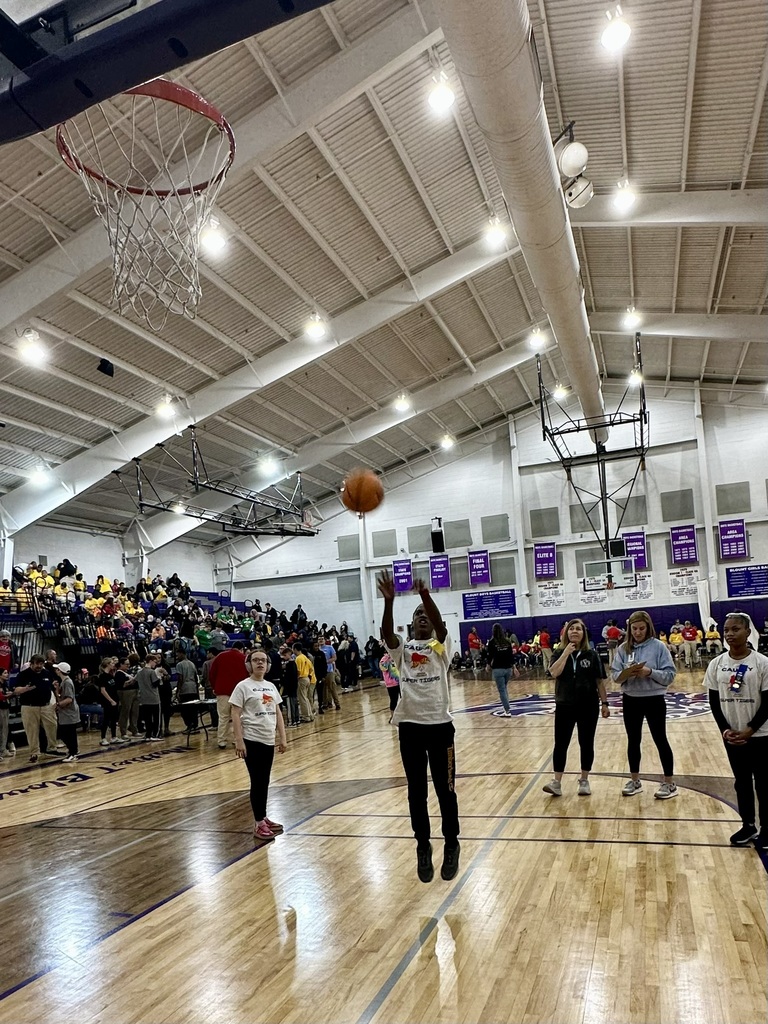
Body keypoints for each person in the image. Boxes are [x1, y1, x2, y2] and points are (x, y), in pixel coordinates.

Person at [377, 568, 460, 884]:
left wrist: (425, 595)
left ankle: (451, 843)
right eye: (417, 614)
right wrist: (388, 602)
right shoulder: (402, 649)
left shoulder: (441, 647)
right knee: (416, 792)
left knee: (446, 791)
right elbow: (387, 635)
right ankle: (423, 845)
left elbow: (439, 626)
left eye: (426, 614)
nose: (422, 617)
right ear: (410, 623)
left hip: (440, 728)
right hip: (410, 728)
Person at [706, 612, 768, 848]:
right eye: (726, 630)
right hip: (732, 735)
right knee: (741, 782)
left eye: (735, 629)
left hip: (761, 735)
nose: (730, 634)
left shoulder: (762, 663)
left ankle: (767, 829)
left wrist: (750, 730)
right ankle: (748, 826)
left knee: (763, 783)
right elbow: (713, 700)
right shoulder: (717, 664)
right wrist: (725, 730)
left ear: (748, 632)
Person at [612, 610, 678, 799]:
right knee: (633, 741)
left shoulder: (659, 647)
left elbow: (670, 675)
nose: (638, 632)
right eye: (634, 629)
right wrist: (625, 673)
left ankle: (669, 783)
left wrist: (650, 672)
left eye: (642, 628)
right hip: (631, 699)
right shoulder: (623, 649)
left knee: (660, 739)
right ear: (629, 629)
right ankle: (635, 780)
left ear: (648, 627)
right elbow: (615, 676)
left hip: (654, 699)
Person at [542, 619, 610, 796]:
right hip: (565, 705)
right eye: (571, 629)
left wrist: (605, 703)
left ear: (583, 633)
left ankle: (584, 780)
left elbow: (599, 682)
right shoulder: (558, 653)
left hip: (588, 706)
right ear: (566, 633)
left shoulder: (592, 655)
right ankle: (556, 782)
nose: (574, 631)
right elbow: (554, 673)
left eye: (578, 629)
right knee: (561, 744)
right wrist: (565, 653)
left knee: (586, 743)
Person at [230, 649, 287, 841]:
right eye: (255, 660)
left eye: (263, 660)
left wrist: (283, 737)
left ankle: (263, 817)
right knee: (258, 781)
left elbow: (277, 712)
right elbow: (235, 714)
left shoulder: (270, 686)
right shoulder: (242, 687)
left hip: (268, 739)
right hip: (251, 740)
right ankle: (258, 822)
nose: (260, 663)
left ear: (268, 664)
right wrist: (239, 740)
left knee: (265, 780)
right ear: (249, 664)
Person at [13, 654, 58, 763]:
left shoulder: (46, 673)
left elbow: (53, 687)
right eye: (37, 664)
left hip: (46, 706)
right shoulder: (23, 675)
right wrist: (26, 689)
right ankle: (34, 752)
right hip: (29, 707)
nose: (39, 666)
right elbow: (16, 690)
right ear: (31, 663)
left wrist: (57, 698)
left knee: (52, 725)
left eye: (41, 664)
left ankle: (52, 748)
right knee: (32, 731)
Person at [209, 641, 247, 748]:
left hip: (222, 691)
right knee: (239, 717)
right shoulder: (244, 658)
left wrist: (214, 687)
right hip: (239, 693)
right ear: (241, 649)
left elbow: (212, 674)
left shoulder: (220, 656)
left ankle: (221, 741)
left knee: (223, 717)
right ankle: (237, 739)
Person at [486, 622, 519, 716]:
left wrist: (488, 665)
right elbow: (511, 656)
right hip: (508, 669)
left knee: (502, 690)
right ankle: (506, 706)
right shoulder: (507, 642)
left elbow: (490, 656)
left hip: (498, 669)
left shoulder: (492, 642)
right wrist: (514, 667)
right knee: (504, 688)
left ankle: (507, 710)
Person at [53, 662, 80, 762]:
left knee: (68, 733)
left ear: (60, 671)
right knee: (67, 733)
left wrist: (58, 705)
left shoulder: (67, 682)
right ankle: (72, 751)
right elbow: (61, 696)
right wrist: (57, 690)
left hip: (69, 713)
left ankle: (73, 752)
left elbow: (69, 699)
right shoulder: (64, 682)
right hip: (65, 713)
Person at [136, 654, 163, 741]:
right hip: (153, 698)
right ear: (150, 661)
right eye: (154, 662)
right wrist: (159, 677)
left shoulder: (139, 672)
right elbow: (155, 684)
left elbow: (134, 681)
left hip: (144, 699)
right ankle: (155, 734)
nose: (155, 664)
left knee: (147, 718)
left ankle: (148, 734)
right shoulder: (152, 672)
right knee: (156, 718)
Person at [279, 646, 300, 727]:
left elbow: (288, 677)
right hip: (293, 687)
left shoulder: (290, 664)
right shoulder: (293, 663)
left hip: (290, 688)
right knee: (295, 704)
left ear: (289, 654)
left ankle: (292, 721)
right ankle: (297, 719)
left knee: (290, 704)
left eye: (285, 655)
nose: (283, 657)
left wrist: (284, 684)